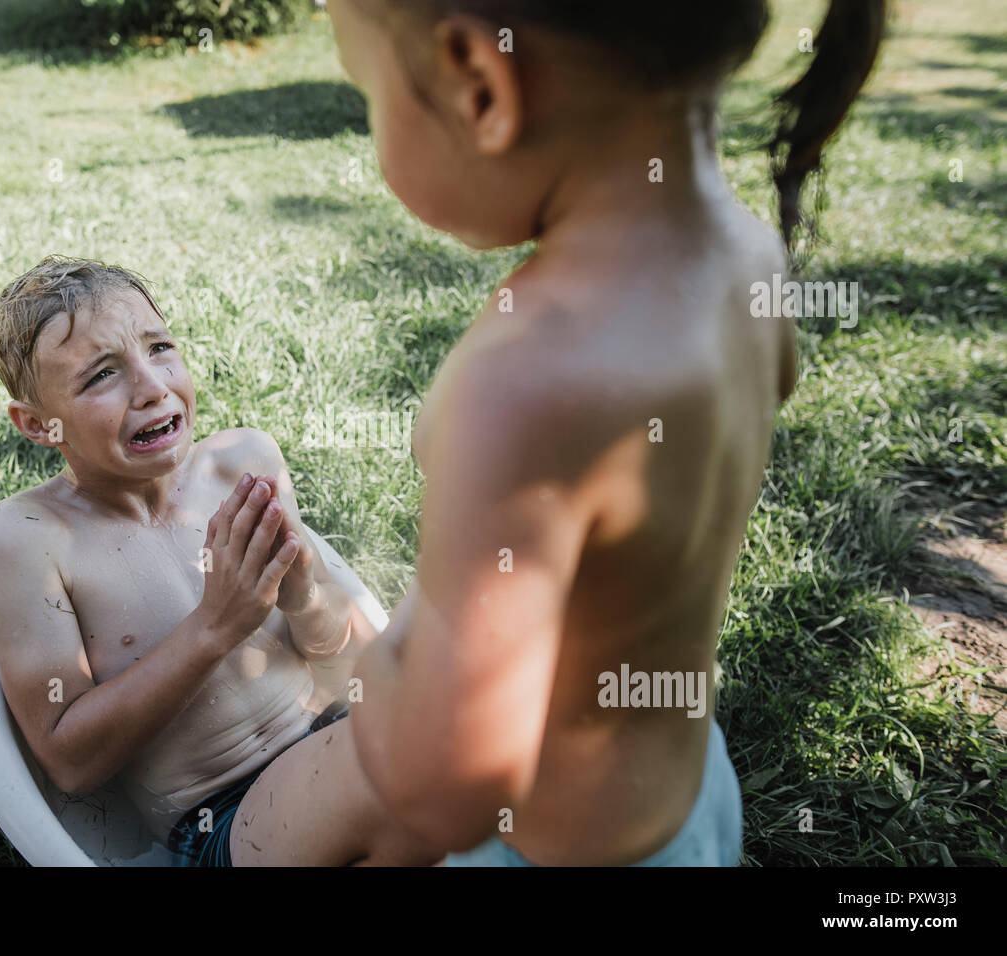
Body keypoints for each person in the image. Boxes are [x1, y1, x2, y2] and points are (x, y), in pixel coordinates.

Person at [324, 0, 885, 864]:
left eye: (368, 94)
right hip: (692, 806)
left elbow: (447, 790)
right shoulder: (748, 260)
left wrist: (374, 670)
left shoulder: (530, 381)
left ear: (481, 83)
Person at [0, 256, 443, 865]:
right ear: (38, 424)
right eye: (101, 376)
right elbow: (69, 761)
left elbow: (355, 666)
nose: (152, 387)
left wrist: (303, 595)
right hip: (232, 817)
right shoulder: (24, 540)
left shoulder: (242, 462)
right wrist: (215, 627)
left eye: (159, 347)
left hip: (345, 733)